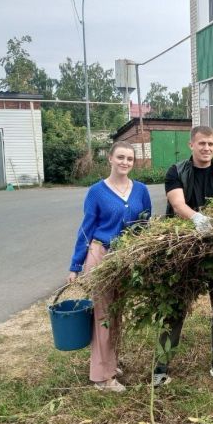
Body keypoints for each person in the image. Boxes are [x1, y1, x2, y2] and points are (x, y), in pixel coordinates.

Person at [68, 141, 152, 393]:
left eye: (129, 159)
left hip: (126, 258)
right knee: (103, 314)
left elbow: (144, 225)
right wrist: (75, 265)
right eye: (121, 158)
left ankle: (110, 362)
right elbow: (87, 228)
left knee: (117, 311)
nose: (125, 162)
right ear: (111, 160)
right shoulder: (97, 191)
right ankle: (102, 378)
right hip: (101, 255)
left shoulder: (140, 190)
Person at [154, 125, 213, 387]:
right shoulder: (176, 171)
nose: (206, 148)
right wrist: (198, 218)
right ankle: (162, 366)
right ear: (191, 145)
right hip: (182, 250)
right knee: (175, 307)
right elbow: (177, 204)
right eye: (201, 143)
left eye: (211, 144)